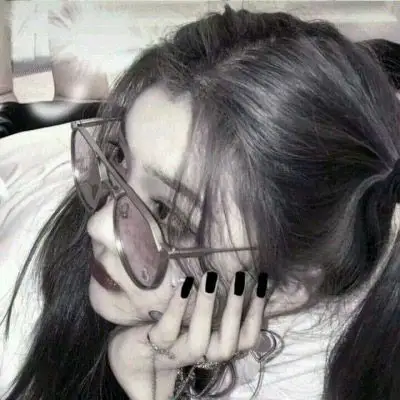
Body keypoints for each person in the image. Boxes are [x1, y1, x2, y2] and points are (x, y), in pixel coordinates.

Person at [2, 5, 400, 399]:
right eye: (118, 157)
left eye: (167, 215)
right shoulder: (30, 268)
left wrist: (146, 387)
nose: (97, 225)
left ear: (281, 291)